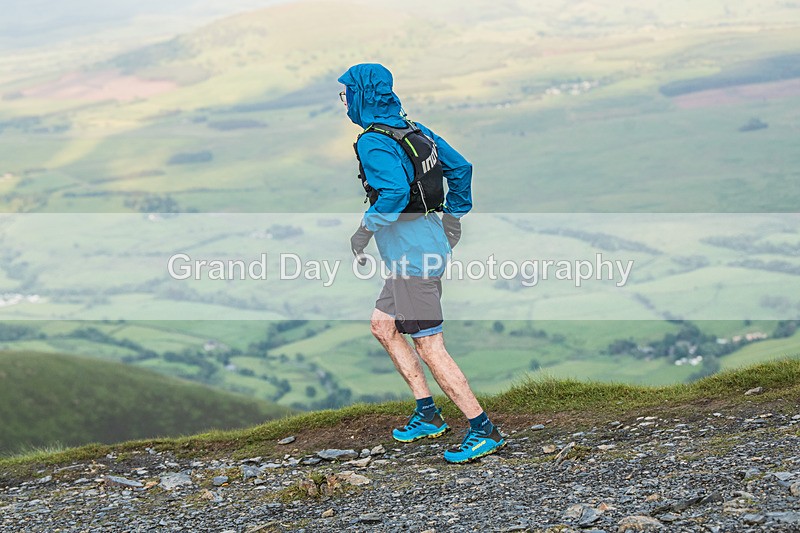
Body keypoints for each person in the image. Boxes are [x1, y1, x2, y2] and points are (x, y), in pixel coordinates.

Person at [337, 63, 505, 463]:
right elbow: (460, 168)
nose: (343, 100)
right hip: (423, 248)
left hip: (412, 261)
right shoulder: (414, 129)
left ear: (362, 95)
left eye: (345, 93)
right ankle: (428, 413)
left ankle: (484, 429)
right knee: (383, 326)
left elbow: (393, 192)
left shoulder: (374, 142)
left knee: (430, 346)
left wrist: (365, 229)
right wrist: (452, 216)